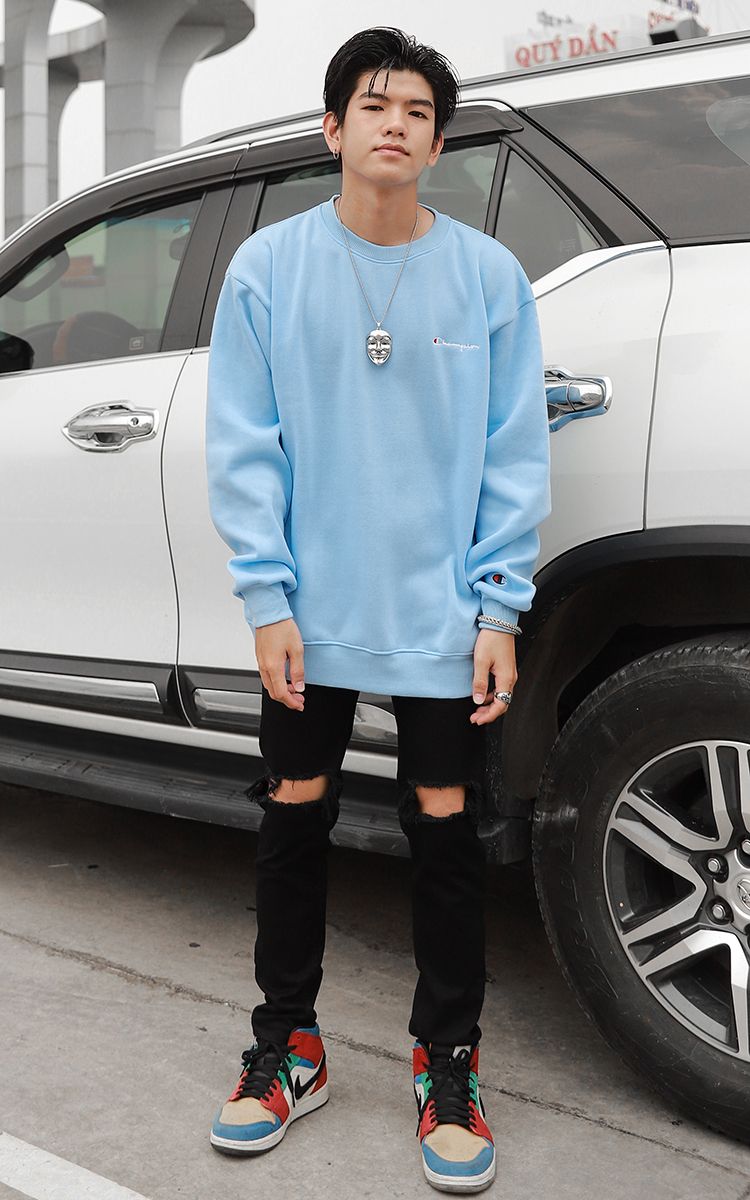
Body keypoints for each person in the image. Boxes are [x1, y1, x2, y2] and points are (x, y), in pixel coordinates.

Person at [204, 25, 551, 1194]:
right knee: (293, 812)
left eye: (416, 110)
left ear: (437, 143)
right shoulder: (268, 269)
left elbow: (513, 457)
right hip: (309, 611)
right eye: (373, 103)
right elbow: (244, 447)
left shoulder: (489, 277)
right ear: (332, 127)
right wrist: (267, 597)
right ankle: (286, 1047)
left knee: (445, 827)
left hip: (445, 616)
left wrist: (498, 610)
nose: (394, 123)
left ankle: (447, 1059)